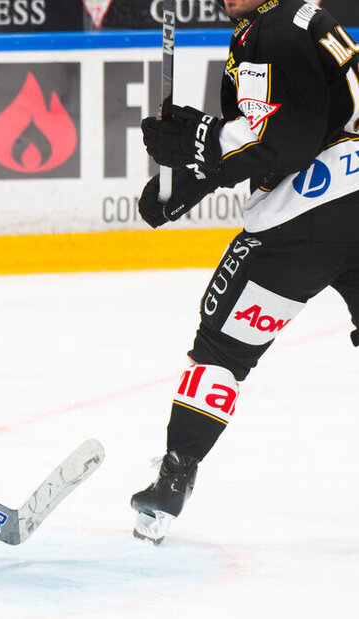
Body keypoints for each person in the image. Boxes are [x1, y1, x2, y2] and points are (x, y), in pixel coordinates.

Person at [132, 0, 359, 544]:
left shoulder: (276, 30)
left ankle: (173, 479)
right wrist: (190, 180)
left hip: (306, 213)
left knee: (221, 352)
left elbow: (288, 140)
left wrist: (199, 142)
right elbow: (264, 140)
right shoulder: (300, 21)